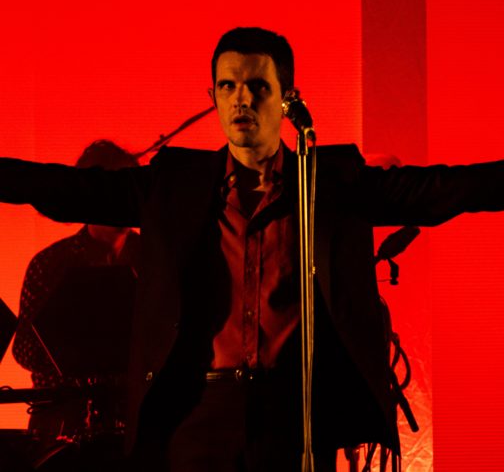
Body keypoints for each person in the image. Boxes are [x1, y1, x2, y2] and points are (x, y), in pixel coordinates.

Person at [2, 27, 504, 471]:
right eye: (227, 86)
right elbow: (70, 190)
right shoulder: (175, 184)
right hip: (198, 408)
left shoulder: (329, 181)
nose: (241, 99)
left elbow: (436, 191)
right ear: (214, 97)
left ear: (287, 97)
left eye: (257, 86)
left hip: (294, 413)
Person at [11, 140, 142, 467]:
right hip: (63, 431)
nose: (121, 200)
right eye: (110, 190)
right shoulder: (52, 263)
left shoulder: (155, 258)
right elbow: (25, 349)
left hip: (139, 426)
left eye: (127, 189)